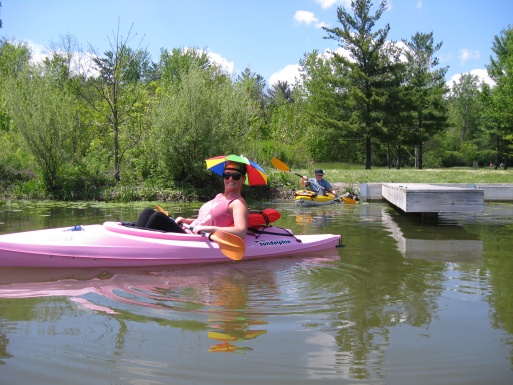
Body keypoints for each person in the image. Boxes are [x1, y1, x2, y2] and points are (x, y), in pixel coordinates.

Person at [135, 161, 249, 239]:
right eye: (226, 175)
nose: (230, 179)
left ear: (243, 179)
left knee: (157, 217)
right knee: (148, 212)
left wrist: (210, 229)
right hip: (188, 229)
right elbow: (206, 218)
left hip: (196, 238)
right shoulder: (219, 196)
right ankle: (133, 238)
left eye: (235, 176)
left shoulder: (238, 203)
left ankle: (137, 244)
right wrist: (187, 220)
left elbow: (241, 231)